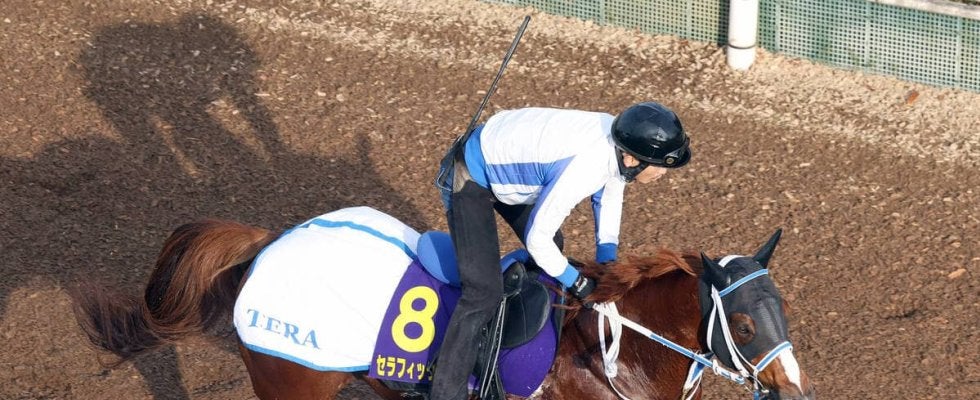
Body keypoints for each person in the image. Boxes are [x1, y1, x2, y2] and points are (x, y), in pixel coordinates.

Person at [429, 101, 692, 399]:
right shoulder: (586, 166)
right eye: (661, 166)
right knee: (482, 292)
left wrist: (606, 265)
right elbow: (536, 240)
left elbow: (609, 196)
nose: (663, 174)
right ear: (632, 159)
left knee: (554, 249)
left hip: (506, 163)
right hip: (470, 175)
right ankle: (445, 390)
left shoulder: (619, 139)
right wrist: (577, 282)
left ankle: (514, 321)